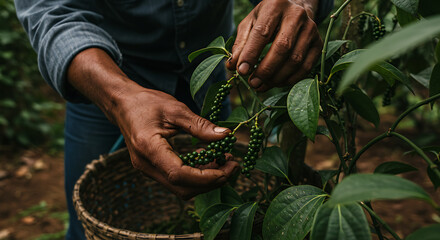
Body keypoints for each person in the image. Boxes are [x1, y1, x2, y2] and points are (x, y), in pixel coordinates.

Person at [15, 0, 333, 239]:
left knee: (219, 209)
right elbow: (51, 12)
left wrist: (297, 5)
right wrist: (118, 97)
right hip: (102, 79)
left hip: (206, 77)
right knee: (89, 228)